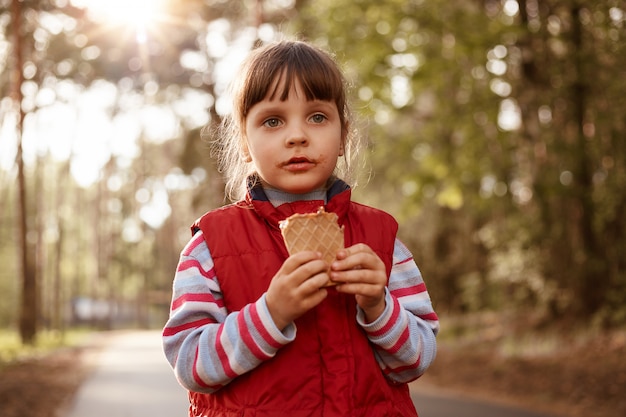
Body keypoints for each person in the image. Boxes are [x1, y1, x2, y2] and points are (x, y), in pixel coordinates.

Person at [162, 39, 439, 417]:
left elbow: (416, 361)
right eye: (273, 120)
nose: (297, 135)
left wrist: (378, 307)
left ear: (343, 136)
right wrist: (270, 314)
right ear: (245, 141)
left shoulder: (383, 243)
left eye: (317, 116)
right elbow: (191, 364)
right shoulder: (210, 246)